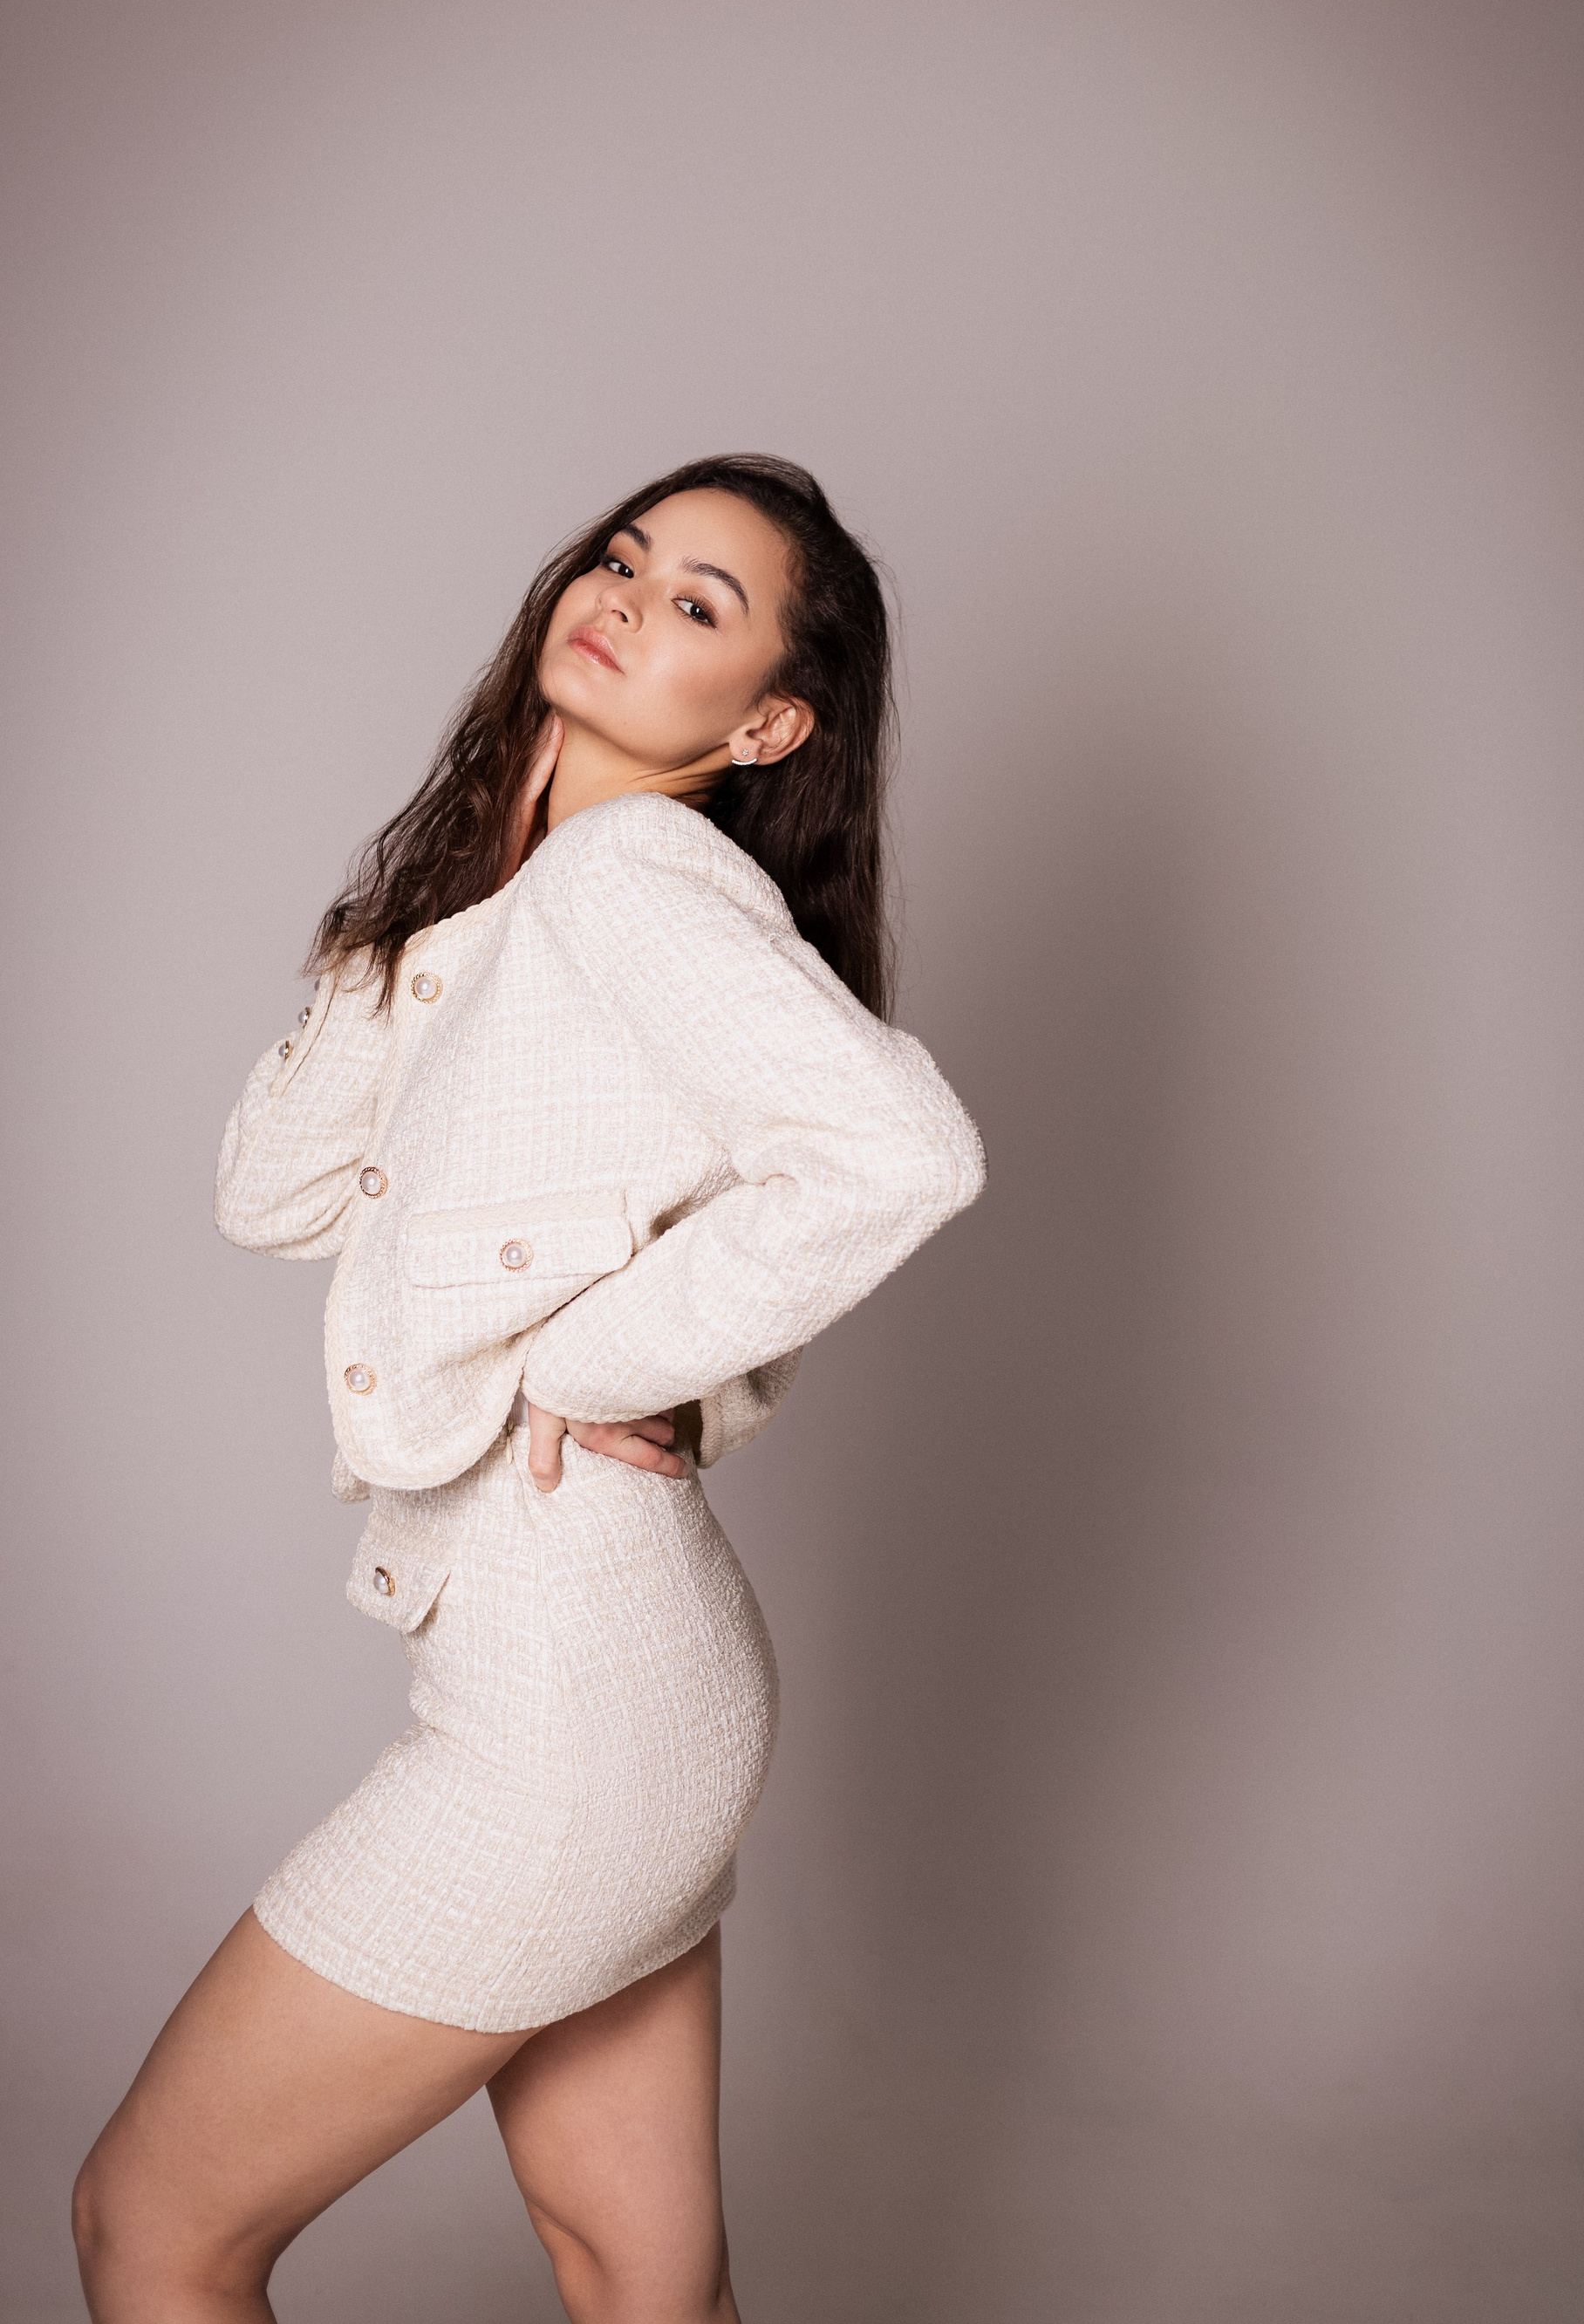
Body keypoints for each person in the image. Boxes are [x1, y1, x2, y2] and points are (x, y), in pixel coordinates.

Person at [73, 454, 985, 2322]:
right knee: (639, 2277)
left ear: (769, 723)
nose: (631, 597)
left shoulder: (636, 877)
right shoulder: (541, 896)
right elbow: (271, 1191)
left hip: (568, 1726)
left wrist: (582, 1357)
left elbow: (904, 1153)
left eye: (702, 604)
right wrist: (455, 876)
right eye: (627, 558)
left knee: (151, 2229)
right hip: (636, 1697)